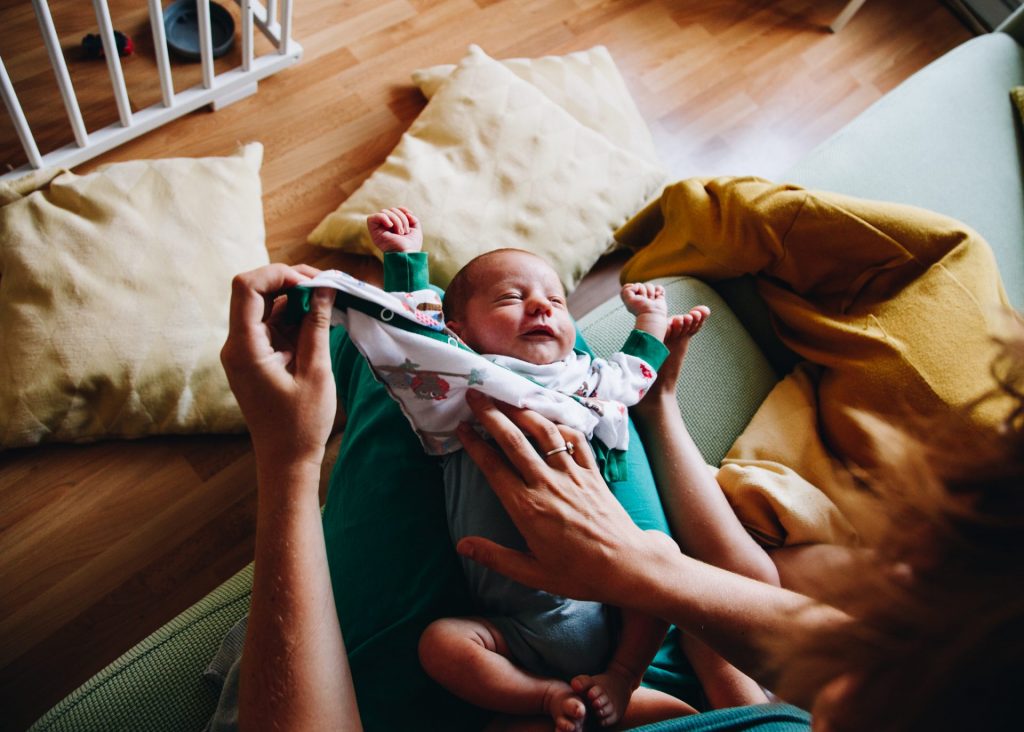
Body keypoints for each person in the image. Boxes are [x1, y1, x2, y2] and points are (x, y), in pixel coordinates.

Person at [220, 261, 1023, 732]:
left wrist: (285, 466)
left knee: (374, 391)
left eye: (553, 301)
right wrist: (659, 432)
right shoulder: (864, 670)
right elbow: (760, 585)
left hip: (559, 641)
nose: (543, 309)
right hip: (570, 609)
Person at [358, 206, 736, 730]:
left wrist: (649, 321)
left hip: (612, 596)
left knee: (665, 558)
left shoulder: (581, 377)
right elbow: (415, 340)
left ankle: (625, 677)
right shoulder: (462, 385)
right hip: (516, 633)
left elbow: (630, 380)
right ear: (458, 330)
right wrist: (405, 261)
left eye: (557, 302)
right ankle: (543, 697)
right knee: (441, 645)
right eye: (513, 299)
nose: (541, 306)